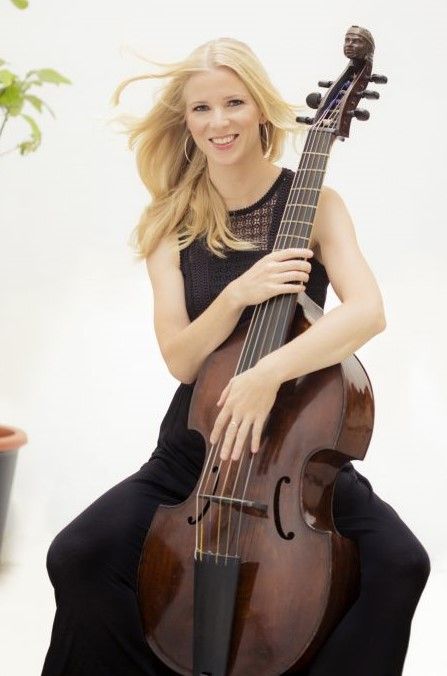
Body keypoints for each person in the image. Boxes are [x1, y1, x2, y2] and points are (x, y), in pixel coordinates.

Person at [41, 37, 430, 676]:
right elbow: (180, 359)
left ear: (260, 109)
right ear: (185, 121)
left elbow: (367, 313)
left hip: (294, 447)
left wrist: (266, 375)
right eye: (201, 108)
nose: (218, 122)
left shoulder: (315, 204)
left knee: (400, 563)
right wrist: (236, 295)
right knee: (79, 555)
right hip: (199, 447)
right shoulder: (170, 221)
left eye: (233, 103)